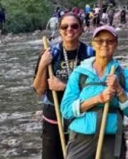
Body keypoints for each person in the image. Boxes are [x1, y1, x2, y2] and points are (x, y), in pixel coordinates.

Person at [60, 25, 128, 158]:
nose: (104, 44)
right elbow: (66, 110)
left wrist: (119, 90)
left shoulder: (125, 75)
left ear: (116, 45)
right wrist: (98, 99)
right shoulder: (79, 73)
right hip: (81, 137)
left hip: (112, 139)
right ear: (93, 44)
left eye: (110, 41)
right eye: (100, 41)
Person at [33, 13, 95, 159]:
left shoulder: (90, 55)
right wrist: (42, 65)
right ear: (59, 30)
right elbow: (39, 90)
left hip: (81, 115)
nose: (69, 30)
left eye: (74, 26)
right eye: (64, 26)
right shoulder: (50, 54)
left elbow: (94, 91)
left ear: (81, 29)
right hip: (54, 114)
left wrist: (63, 87)